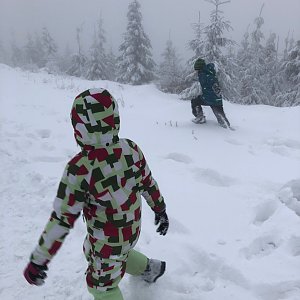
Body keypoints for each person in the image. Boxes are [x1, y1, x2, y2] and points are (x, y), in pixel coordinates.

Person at [23, 88, 169, 300]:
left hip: (109, 240)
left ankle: (141, 271)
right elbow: (147, 182)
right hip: (130, 229)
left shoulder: (80, 169)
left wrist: (39, 259)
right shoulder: (130, 149)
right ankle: (150, 269)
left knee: (101, 287)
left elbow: (62, 219)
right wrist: (160, 208)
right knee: (93, 250)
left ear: (80, 128)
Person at [191, 58, 231, 128]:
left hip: (209, 98)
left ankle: (200, 117)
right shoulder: (210, 73)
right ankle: (226, 126)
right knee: (221, 117)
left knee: (195, 101)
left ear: (200, 68)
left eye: (197, 69)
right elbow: (215, 87)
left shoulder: (203, 75)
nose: (196, 72)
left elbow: (209, 84)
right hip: (217, 99)